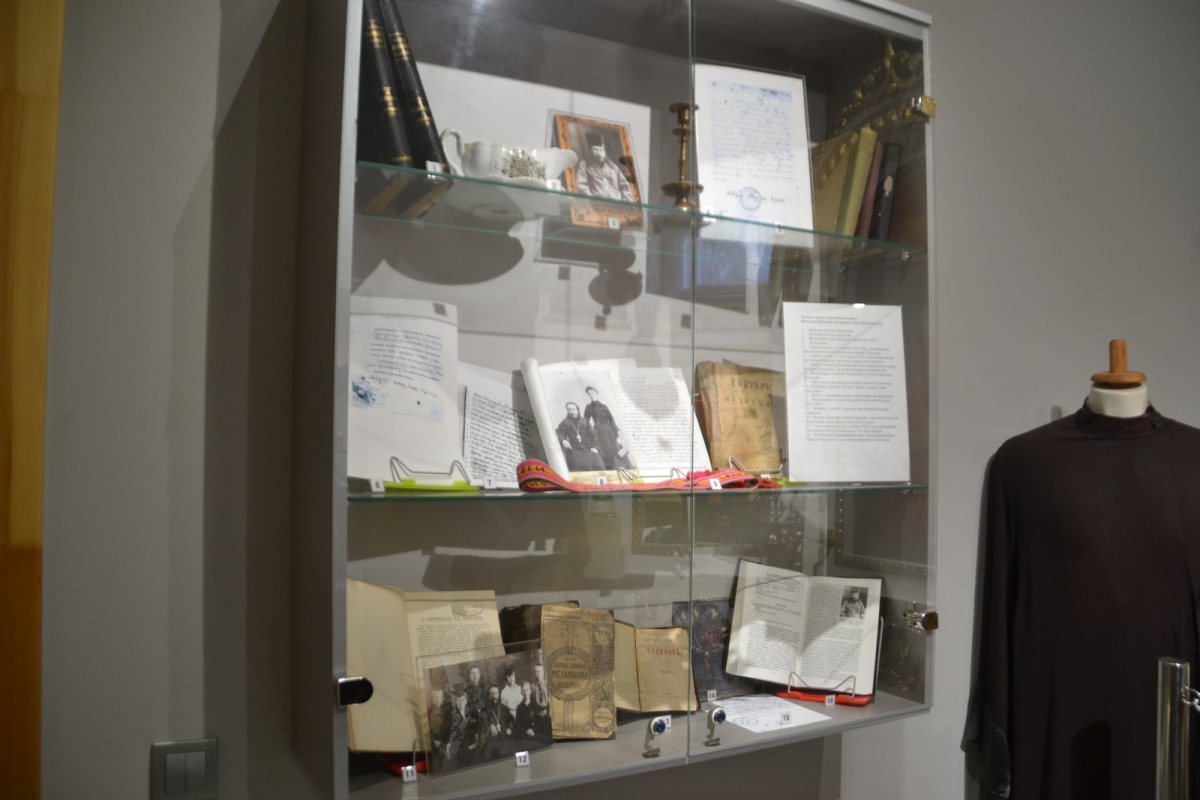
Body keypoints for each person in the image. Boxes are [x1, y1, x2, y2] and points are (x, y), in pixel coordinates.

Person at [583, 385, 632, 470]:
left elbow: (611, 419)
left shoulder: (603, 406)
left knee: (616, 448)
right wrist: (589, 433)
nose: (591, 395)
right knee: (605, 450)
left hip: (609, 430)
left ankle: (624, 467)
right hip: (598, 432)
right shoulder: (588, 407)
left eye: (593, 393)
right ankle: (613, 468)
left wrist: (617, 435)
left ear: (596, 394)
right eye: (589, 394)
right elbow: (585, 422)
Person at [573, 131, 633, 201]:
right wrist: (592, 199)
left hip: (618, 202)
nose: (598, 152)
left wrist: (626, 200)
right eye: (595, 149)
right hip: (597, 203)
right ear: (590, 150)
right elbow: (581, 184)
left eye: (601, 149)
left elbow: (624, 183)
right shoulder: (584, 164)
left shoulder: (612, 165)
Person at [555, 401, 605, 471]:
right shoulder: (565, 423)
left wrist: (595, 448)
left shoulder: (585, 422)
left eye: (573, 409)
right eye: (569, 409)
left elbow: (594, 437)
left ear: (578, 410)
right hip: (574, 450)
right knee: (577, 464)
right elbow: (559, 432)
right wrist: (563, 440)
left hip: (588, 449)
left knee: (598, 462)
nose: (571, 411)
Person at [498, 668, 523, 733]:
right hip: (510, 716)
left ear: (515, 677)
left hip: (521, 714)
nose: (511, 678)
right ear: (506, 678)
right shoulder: (504, 692)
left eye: (512, 676)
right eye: (509, 676)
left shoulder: (520, 688)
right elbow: (503, 708)